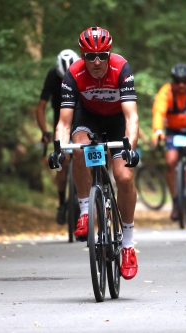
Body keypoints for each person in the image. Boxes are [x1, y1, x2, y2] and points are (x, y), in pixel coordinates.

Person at [49, 27, 140, 280]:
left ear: (110, 54)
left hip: (116, 121)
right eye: (90, 56)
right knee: (78, 149)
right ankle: (86, 210)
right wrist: (58, 149)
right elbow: (64, 123)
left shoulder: (121, 68)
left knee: (123, 177)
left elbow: (131, 116)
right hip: (88, 117)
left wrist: (129, 147)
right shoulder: (74, 73)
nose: (97, 61)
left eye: (102, 55)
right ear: (82, 56)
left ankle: (128, 245)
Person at [36, 49, 80, 225]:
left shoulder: (85, 75)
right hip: (61, 124)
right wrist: (45, 131)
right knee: (63, 161)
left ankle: (84, 196)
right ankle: (62, 202)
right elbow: (41, 107)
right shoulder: (52, 76)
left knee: (84, 156)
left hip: (82, 122)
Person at [151, 63, 186, 221]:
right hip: (173, 131)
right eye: (178, 81)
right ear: (173, 81)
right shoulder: (166, 92)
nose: (181, 85)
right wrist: (158, 131)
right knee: (170, 162)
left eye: (185, 81)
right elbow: (159, 111)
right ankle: (176, 201)